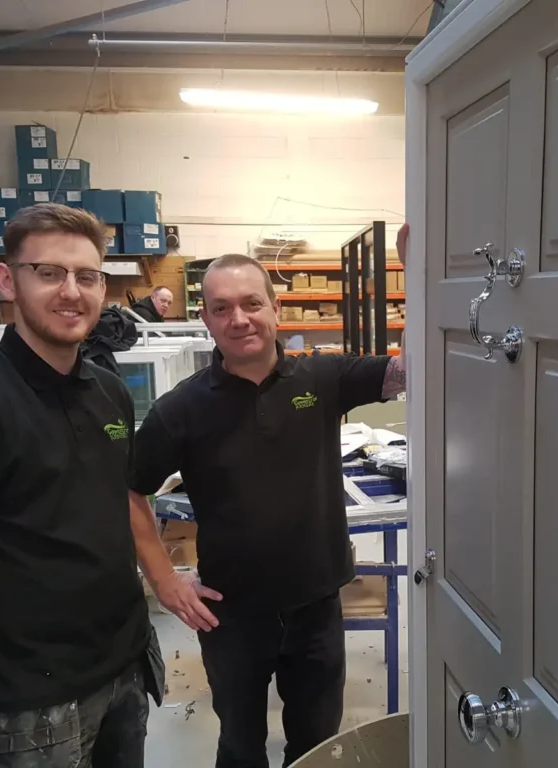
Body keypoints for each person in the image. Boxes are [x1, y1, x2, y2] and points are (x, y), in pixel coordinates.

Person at [128, 224, 409, 768]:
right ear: (206, 318)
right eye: (222, 308)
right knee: (239, 746)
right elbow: (130, 491)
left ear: (274, 308)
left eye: (251, 303)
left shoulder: (324, 377)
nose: (239, 319)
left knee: (319, 746)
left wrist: (418, 272)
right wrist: (163, 580)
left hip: (316, 606)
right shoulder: (181, 409)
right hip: (230, 616)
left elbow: (408, 373)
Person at [0, 204, 163, 768]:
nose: (72, 291)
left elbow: (118, 503)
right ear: (6, 281)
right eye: (49, 273)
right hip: (29, 697)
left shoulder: (109, 393)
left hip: (122, 666)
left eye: (87, 276)